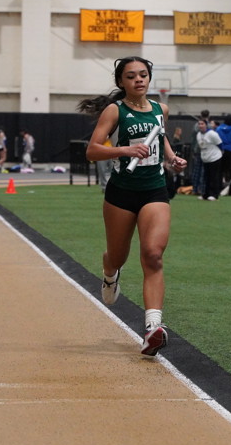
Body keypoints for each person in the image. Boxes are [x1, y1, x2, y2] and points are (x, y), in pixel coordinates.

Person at [77, 56, 187, 357]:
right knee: (118, 255)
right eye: (131, 76)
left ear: (149, 78)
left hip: (154, 190)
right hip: (122, 193)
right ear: (121, 82)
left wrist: (172, 158)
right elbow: (92, 151)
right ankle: (109, 271)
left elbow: (159, 137)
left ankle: (152, 328)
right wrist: (125, 150)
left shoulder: (161, 109)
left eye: (143, 75)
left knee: (153, 255)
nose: (138, 80)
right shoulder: (115, 110)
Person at [195, 119, 223, 200]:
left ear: (206, 125)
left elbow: (220, 144)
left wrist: (221, 152)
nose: (200, 126)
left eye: (202, 124)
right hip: (205, 158)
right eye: (199, 124)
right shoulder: (198, 135)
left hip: (214, 157)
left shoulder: (212, 134)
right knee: (206, 177)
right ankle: (206, 194)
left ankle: (214, 194)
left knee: (214, 176)